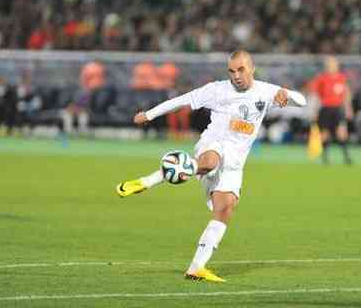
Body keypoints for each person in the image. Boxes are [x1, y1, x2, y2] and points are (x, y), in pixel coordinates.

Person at [116, 50, 306, 282]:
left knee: (224, 209)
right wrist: (149, 114)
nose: (236, 75)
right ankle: (147, 181)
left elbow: (302, 101)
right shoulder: (217, 90)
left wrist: (287, 94)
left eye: (241, 70)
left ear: (252, 69)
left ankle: (196, 267)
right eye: (231, 71)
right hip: (212, 145)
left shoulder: (266, 92)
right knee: (210, 161)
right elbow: (181, 100)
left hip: (234, 163)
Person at [308, 56, 353, 164]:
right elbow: (315, 95)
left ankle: (346, 157)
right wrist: (314, 111)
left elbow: (346, 94)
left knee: (342, 132)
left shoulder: (342, 78)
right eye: (329, 64)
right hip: (326, 108)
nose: (331, 66)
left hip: (338, 108)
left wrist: (348, 108)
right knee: (325, 134)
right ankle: (325, 158)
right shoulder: (322, 78)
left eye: (333, 64)